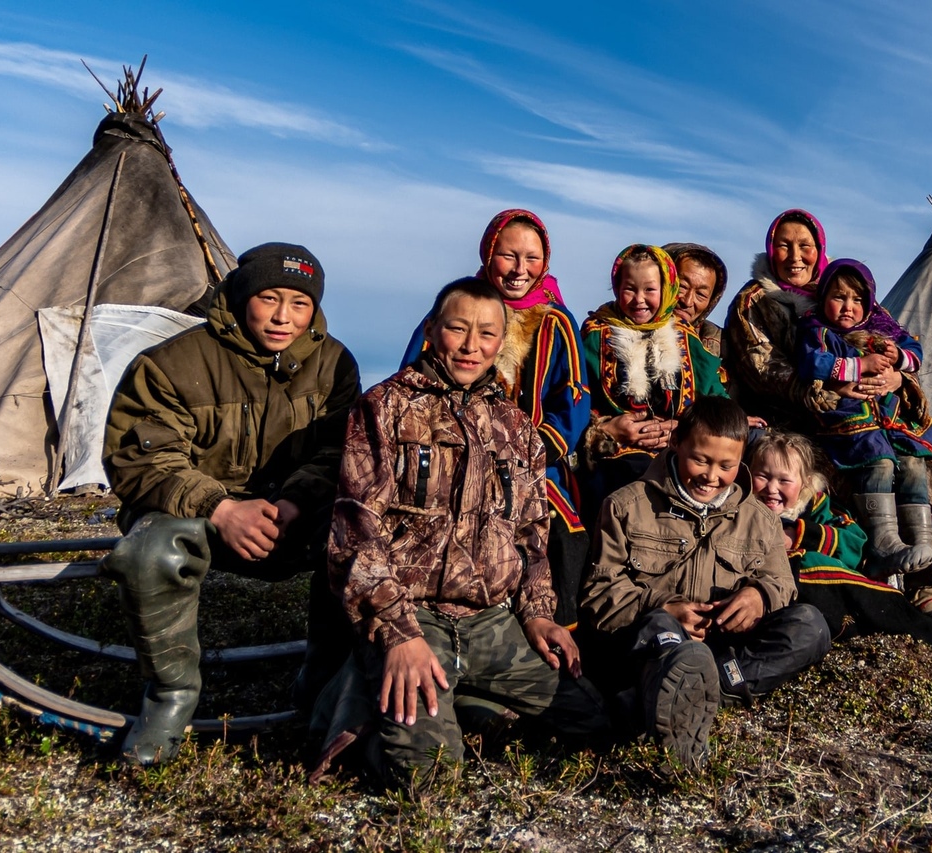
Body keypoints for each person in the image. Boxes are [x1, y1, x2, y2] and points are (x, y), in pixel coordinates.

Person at [326, 277, 607, 785]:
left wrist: (539, 616)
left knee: (592, 722)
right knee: (430, 777)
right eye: (458, 329)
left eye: (487, 334)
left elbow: (530, 534)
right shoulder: (384, 407)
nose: (472, 345)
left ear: (503, 342)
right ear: (433, 331)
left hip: (490, 623)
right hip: (415, 616)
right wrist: (397, 635)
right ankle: (356, 700)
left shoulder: (515, 426)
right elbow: (355, 533)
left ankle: (466, 694)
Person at [101, 242, 361, 765]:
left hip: (289, 519)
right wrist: (220, 508)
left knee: (361, 542)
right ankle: (169, 698)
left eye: (299, 303)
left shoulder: (334, 364)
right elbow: (140, 457)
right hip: (200, 518)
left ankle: (323, 683)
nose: (283, 317)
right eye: (269, 298)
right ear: (243, 295)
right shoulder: (172, 363)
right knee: (151, 554)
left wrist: (293, 501)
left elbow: (342, 449)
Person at [723, 209, 932, 641]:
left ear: (819, 250)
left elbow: (894, 345)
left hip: (865, 414)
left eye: (805, 246)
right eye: (784, 245)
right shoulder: (756, 300)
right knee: (852, 466)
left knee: (914, 464)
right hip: (793, 419)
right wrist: (829, 391)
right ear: (771, 248)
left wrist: (897, 377)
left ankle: (925, 584)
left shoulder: (844, 288)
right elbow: (763, 368)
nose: (795, 255)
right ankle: (872, 579)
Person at [581, 396, 831, 768]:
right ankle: (671, 687)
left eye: (726, 466)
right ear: (676, 442)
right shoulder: (625, 506)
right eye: (700, 459)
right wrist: (662, 606)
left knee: (810, 625)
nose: (711, 476)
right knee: (661, 628)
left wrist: (758, 597)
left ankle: (694, 691)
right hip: (656, 642)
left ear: (742, 458)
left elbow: (781, 581)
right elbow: (599, 595)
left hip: (726, 649)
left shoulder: (758, 517)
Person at [402, 210, 589, 627]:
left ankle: (556, 633)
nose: (521, 269)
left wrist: (529, 450)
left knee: (562, 532)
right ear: (489, 253)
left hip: (533, 460)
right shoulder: (456, 309)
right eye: (509, 255)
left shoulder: (556, 322)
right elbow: (413, 378)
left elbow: (572, 401)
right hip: (449, 451)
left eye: (532, 258)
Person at [797, 259, 932, 577]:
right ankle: (884, 545)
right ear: (823, 298)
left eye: (857, 299)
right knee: (880, 462)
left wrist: (899, 360)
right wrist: (860, 366)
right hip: (848, 420)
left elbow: (915, 351)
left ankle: (923, 545)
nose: (848, 307)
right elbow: (811, 363)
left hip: (888, 418)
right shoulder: (816, 329)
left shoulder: (882, 329)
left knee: (913, 463)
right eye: (839, 297)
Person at [746, 431, 932, 646]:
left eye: (784, 480)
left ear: (805, 483)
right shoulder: (744, 509)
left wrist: (800, 535)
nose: (771, 488)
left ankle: (921, 608)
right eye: (763, 476)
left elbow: (855, 545)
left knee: (860, 592)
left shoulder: (815, 506)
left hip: (830, 588)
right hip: (783, 587)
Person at [579, 244, 728, 520]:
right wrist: (606, 428)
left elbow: (713, 396)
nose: (639, 300)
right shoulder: (595, 334)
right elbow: (577, 395)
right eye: (629, 289)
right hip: (614, 456)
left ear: (665, 289)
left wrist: (684, 428)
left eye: (649, 290)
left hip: (676, 453)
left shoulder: (685, 338)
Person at [661, 242, 728, 357]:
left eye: (701, 294)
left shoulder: (719, 345)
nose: (687, 301)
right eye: (682, 286)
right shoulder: (624, 329)